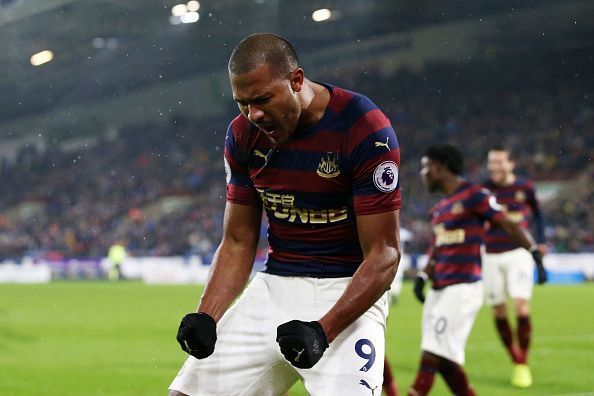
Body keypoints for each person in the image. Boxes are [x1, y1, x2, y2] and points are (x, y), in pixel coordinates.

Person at [169, 33, 402, 396]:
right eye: (243, 103)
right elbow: (238, 240)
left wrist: (323, 330)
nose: (254, 114)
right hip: (273, 286)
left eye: (262, 100)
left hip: (346, 292)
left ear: (296, 80)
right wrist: (207, 315)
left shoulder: (363, 128)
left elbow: (384, 254)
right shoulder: (243, 135)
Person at [408, 144, 546, 396]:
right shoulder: (439, 209)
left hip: (462, 288)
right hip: (439, 289)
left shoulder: (474, 195)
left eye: (426, 167)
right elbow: (437, 247)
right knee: (447, 362)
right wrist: (423, 275)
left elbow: (506, 223)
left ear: (439, 168)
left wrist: (534, 252)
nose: (423, 173)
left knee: (432, 353)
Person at [481, 146, 548, 388]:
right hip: (490, 254)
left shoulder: (525, 188)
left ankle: (523, 362)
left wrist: (540, 242)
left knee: (521, 306)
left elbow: (539, 214)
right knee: (499, 310)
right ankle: (516, 359)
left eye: (499, 162)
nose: (494, 168)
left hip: (518, 252)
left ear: (511, 164)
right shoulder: (484, 189)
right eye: (491, 163)